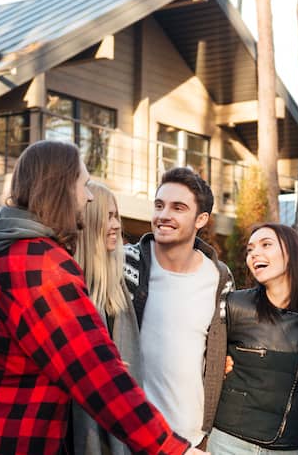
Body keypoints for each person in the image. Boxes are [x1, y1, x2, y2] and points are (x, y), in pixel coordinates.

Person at [0, 140, 201, 455]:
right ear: (61, 189)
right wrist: (175, 449)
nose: (89, 196)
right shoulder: (39, 264)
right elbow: (98, 376)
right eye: (83, 185)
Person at [124, 167, 235, 448]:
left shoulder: (219, 278)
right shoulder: (126, 265)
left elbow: (222, 345)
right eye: (159, 205)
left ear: (201, 219)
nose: (164, 215)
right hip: (133, 436)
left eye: (178, 207)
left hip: (193, 440)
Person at [208, 223, 298, 454]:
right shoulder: (234, 305)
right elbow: (206, 360)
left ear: (292, 253)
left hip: (289, 447)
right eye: (250, 249)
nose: (255, 254)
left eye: (266, 245)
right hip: (230, 443)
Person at [69, 181, 143, 455]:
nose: (115, 225)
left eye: (117, 216)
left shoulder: (121, 288)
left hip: (118, 424)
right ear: (88, 222)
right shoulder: (71, 289)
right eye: (107, 217)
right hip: (79, 428)